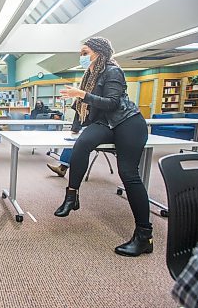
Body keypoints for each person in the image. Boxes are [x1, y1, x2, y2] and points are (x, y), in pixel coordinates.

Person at [54, 37, 152, 257]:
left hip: (127, 121)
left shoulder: (112, 71)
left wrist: (82, 95)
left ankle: (145, 236)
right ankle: (72, 197)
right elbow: (81, 108)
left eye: (85, 51)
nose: (82, 55)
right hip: (105, 122)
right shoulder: (89, 75)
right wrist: (74, 130)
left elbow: (112, 102)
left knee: (128, 173)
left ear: (98, 52)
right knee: (81, 145)